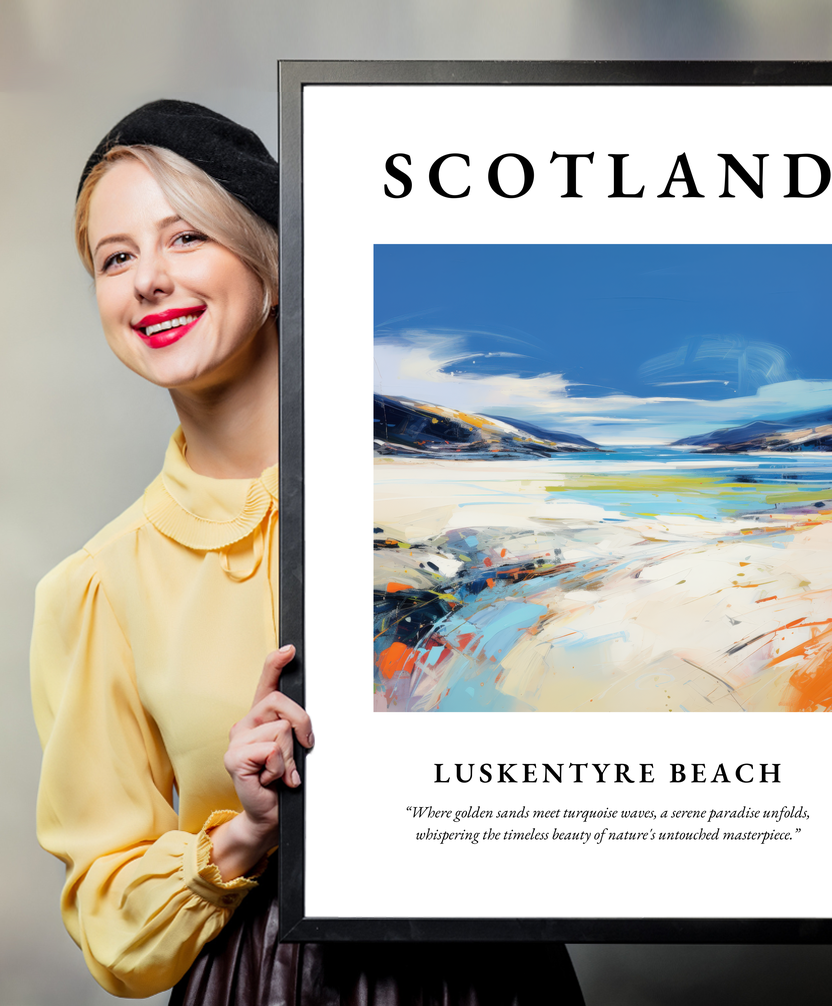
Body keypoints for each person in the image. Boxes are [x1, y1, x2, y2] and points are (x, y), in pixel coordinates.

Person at [30, 100, 586, 1004]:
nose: (149, 281)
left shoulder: (459, 500)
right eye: (115, 258)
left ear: (273, 261)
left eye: (186, 237)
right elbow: (110, 924)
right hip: (264, 981)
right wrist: (246, 833)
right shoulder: (98, 586)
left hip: (490, 971)